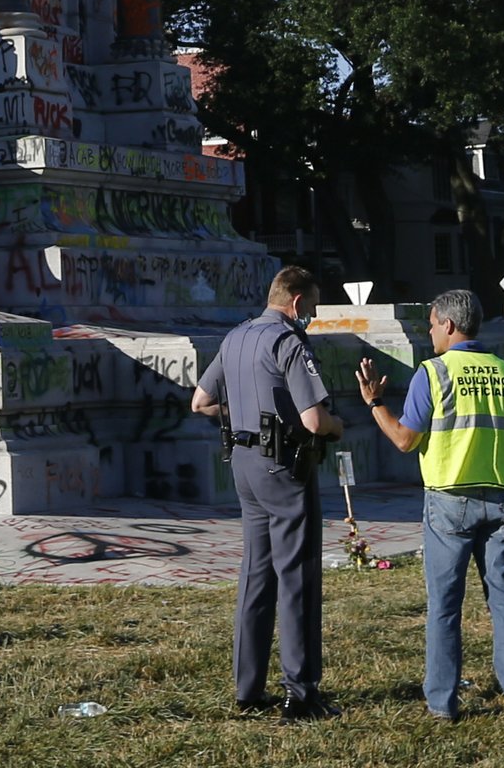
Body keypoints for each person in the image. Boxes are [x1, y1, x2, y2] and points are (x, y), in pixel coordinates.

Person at [357, 290, 504, 722]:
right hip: (501, 497)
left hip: (449, 500)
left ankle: (442, 704)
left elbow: (405, 440)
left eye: (431, 324)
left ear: (448, 324)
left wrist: (374, 403)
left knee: (444, 605)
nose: (429, 332)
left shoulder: (433, 373)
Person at [191, 265, 345, 719]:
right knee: (297, 575)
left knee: (256, 573)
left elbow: (200, 402)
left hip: (243, 463)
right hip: (284, 466)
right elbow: (314, 419)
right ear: (296, 301)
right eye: (312, 306)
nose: (312, 315)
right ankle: (301, 692)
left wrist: (243, 412)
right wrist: (336, 426)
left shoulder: (235, 337)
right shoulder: (288, 341)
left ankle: (248, 688)